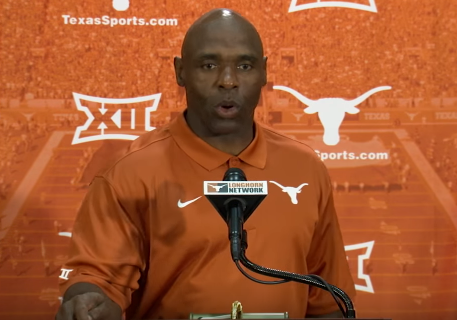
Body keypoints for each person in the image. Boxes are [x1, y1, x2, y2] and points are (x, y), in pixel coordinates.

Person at [55, 8, 355, 320]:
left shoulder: (305, 168)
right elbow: (96, 280)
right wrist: (87, 301)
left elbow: (327, 296)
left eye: (245, 65)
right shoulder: (129, 174)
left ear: (264, 72)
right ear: (180, 71)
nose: (228, 81)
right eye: (209, 65)